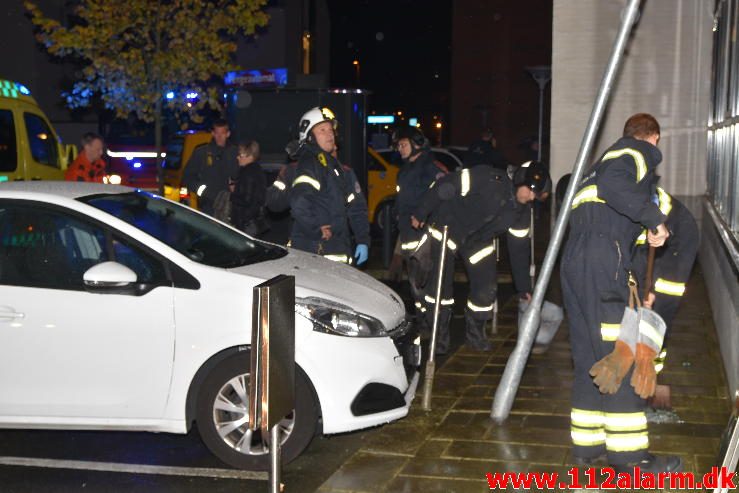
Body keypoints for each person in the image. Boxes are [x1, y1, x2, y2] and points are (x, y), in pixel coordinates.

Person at [560, 113, 679, 473]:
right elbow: (618, 189)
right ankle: (631, 459)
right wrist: (655, 218)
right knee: (621, 356)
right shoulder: (634, 153)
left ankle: (588, 445)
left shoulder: (597, 169)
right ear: (653, 138)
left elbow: (614, 214)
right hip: (602, 261)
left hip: (576, 262)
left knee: (590, 360)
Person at [411, 161, 550, 354]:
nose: (531, 197)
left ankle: (475, 334)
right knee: (440, 289)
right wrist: (421, 211)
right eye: (530, 190)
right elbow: (449, 183)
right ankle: (439, 336)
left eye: (535, 194)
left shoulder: (522, 213)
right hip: (448, 228)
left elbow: (519, 250)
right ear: (520, 180)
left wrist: (524, 287)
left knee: (486, 288)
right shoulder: (489, 179)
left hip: (477, 241)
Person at [630, 186, 699, 409]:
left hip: (678, 248)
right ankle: (641, 367)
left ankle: (652, 374)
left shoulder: (646, 204)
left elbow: (649, 258)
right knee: (641, 310)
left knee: (660, 317)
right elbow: (636, 256)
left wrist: (651, 292)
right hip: (654, 247)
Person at [289, 107, 370, 265]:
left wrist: (363, 240)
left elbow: (356, 207)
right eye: (322, 130)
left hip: (337, 250)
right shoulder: (310, 164)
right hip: (316, 251)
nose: (330, 134)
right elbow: (299, 203)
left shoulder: (335, 168)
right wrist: (316, 231)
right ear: (310, 137)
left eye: (331, 130)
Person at [394, 127, 443, 317]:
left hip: (424, 234)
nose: (400, 148)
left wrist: (424, 216)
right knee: (414, 282)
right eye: (398, 145)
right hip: (407, 233)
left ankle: (431, 319)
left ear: (416, 145)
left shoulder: (430, 168)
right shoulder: (405, 170)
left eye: (403, 144)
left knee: (426, 279)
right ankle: (422, 318)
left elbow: (441, 194)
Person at [182, 119, 238, 216]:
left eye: (223, 133)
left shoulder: (235, 153)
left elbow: (243, 175)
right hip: (208, 205)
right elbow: (187, 176)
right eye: (217, 133)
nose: (219, 137)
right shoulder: (201, 152)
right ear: (212, 133)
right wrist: (203, 191)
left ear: (228, 134)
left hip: (230, 205)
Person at [229, 140, 267, 237]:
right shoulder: (257, 170)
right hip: (253, 219)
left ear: (250, 157)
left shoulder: (247, 173)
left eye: (241, 155)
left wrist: (232, 194)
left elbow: (247, 199)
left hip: (246, 222)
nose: (238, 158)